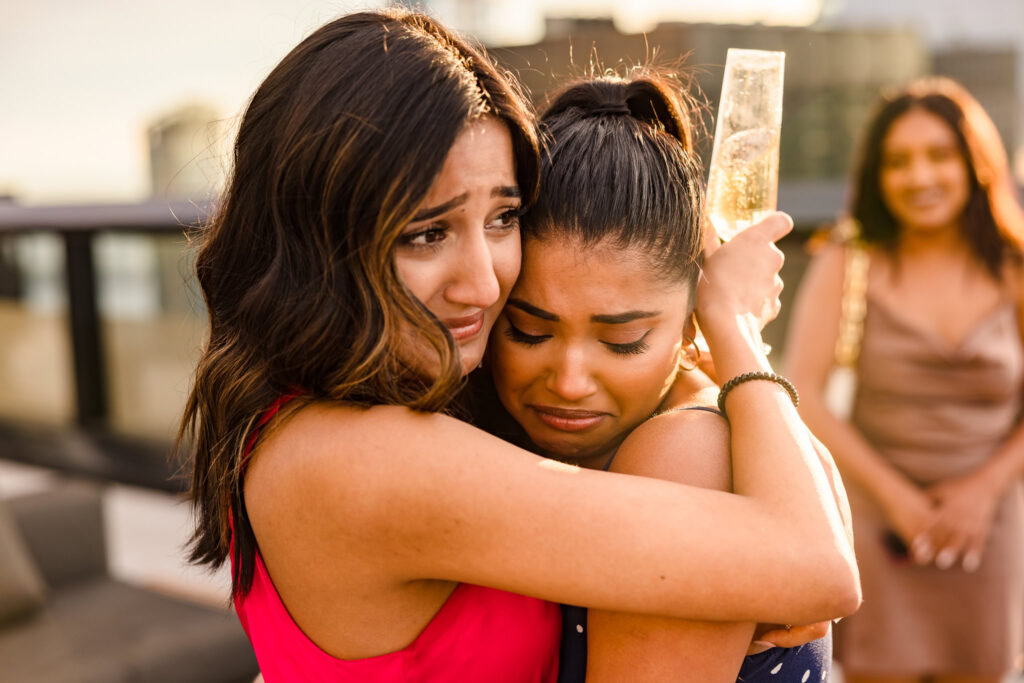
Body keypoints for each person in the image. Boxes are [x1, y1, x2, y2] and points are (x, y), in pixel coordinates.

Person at [180, 8, 859, 681]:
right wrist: (732, 323)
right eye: (428, 233)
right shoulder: (367, 459)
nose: (483, 282)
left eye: (503, 217)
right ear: (318, 236)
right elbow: (816, 563)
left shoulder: (362, 410)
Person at [480, 71, 846, 682]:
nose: (569, 380)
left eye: (622, 341)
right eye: (529, 331)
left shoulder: (687, 452)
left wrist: (735, 329)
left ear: (688, 324)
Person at [785, 76, 1024, 682]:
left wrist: (983, 492)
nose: (919, 177)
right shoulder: (849, 257)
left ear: (974, 162)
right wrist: (898, 500)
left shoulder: (1015, 266)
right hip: (876, 522)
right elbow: (803, 394)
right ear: (876, 176)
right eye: (899, 162)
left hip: (987, 529)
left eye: (939, 155)